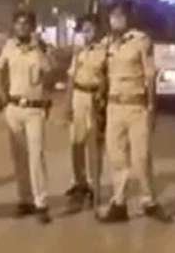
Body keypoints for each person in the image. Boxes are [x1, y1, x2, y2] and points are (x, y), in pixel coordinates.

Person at [98, 1, 173, 223]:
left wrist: (152, 107)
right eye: (113, 15)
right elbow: (99, 73)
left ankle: (149, 201)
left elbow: (150, 76)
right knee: (116, 157)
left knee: (141, 157)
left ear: (129, 18)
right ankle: (119, 203)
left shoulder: (141, 41)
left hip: (137, 106)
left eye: (120, 15)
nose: (116, 19)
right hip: (114, 107)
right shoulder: (106, 44)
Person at [0, 9, 53, 224]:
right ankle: (24, 199)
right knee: (19, 156)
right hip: (14, 106)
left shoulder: (40, 48)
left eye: (26, 23)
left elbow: (50, 73)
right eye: (18, 23)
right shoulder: (9, 46)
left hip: (34, 108)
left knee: (36, 156)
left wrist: (46, 97)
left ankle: (41, 202)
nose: (21, 27)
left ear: (32, 27)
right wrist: (0, 92)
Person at [63, 14, 107, 212]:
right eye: (85, 29)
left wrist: (103, 99)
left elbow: (107, 77)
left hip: (95, 98)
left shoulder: (105, 52)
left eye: (91, 28)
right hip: (79, 97)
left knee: (95, 145)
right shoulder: (79, 52)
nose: (87, 32)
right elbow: (71, 78)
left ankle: (94, 186)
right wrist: (67, 104)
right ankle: (79, 184)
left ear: (98, 30)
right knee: (76, 143)